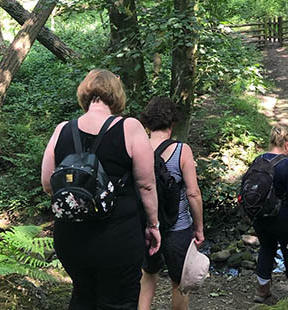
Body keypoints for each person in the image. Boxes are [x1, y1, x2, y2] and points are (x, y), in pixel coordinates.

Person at [40, 69, 160, 309]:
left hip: (71, 237)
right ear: (116, 95)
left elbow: (47, 184)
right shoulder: (130, 127)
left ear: (85, 93)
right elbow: (146, 185)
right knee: (120, 301)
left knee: (83, 295)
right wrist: (153, 225)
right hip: (117, 235)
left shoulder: (62, 129)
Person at [138, 97, 205, 310]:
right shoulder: (181, 150)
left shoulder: (137, 149)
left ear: (147, 123)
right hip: (178, 227)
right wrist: (199, 228)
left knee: (147, 277)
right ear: (172, 122)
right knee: (179, 283)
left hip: (147, 226)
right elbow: (193, 193)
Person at [253, 124, 288, 303]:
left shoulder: (258, 160)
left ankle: (262, 291)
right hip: (282, 218)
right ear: (287, 143)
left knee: (266, 248)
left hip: (260, 216)